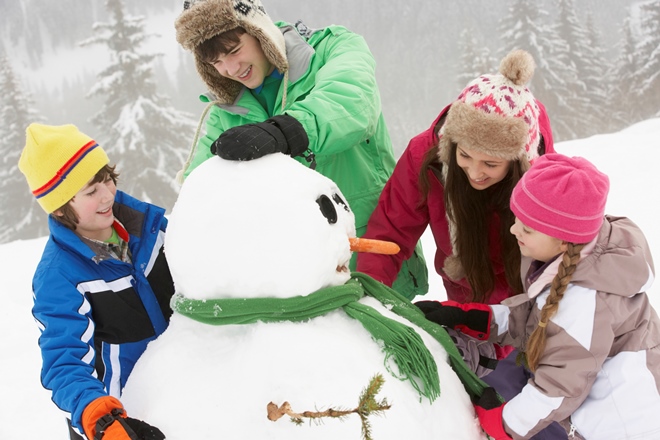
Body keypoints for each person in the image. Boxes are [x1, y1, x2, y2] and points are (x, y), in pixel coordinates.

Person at [356, 49, 565, 439]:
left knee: (540, 411)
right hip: (469, 308)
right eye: (465, 156)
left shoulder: (542, 176)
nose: (474, 171)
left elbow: (564, 256)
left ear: (517, 161)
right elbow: (390, 231)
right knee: (483, 411)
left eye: (491, 164)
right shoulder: (428, 155)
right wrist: (364, 293)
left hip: (529, 310)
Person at [172, 0, 427, 300]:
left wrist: (285, 131)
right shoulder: (224, 113)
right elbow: (201, 191)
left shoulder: (333, 48)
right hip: (298, 273)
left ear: (259, 30)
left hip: (372, 248)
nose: (230, 68)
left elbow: (352, 103)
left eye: (234, 51)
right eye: (216, 63)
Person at [417, 153, 660, 439]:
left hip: (621, 427)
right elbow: (545, 317)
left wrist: (505, 423)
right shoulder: (580, 258)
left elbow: (557, 389)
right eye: (516, 219)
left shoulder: (585, 303)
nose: (513, 229)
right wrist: (479, 319)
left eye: (527, 228)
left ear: (563, 239)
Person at [18, 123, 172, 440]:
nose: (107, 196)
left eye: (106, 180)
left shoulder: (148, 228)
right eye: (91, 192)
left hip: (179, 383)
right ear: (61, 210)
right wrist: (101, 420)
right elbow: (64, 360)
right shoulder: (59, 276)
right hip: (122, 416)